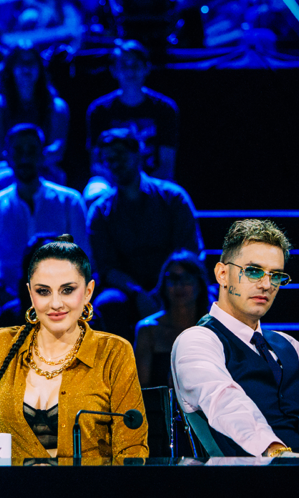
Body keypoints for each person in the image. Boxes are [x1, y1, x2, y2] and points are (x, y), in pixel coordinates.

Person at [171, 219, 299, 458]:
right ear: (222, 274)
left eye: (276, 275)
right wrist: (280, 455)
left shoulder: (289, 345)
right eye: (254, 271)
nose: (267, 285)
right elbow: (225, 403)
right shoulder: (197, 340)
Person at [0, 235, 148, 463]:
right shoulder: (2, 345)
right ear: (31, 293)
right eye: (43, 291)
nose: (56, 303)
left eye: (67, 290)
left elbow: (132, 449)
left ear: (88, 291)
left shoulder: (113, 352)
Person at [86, 128, 202, 341]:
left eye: (120, 155)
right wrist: (138, 293)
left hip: (174, 278)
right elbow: (107, 267)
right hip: (129, 290)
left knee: (193, 291)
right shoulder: (101, 211)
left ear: (138, 154)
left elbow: (187, 252)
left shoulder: (172, 198)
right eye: (108, 159)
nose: (115, 163)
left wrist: (162, 289)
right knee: (108, 303)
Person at [0, 123, 87, 322]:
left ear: (43, 154)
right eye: (18, 151)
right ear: (7, 156)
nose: (25, 158)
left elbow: (84, 258)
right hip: (4, 290)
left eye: (32, 150)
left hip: (59, 290)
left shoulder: (70, 202)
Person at [85, 40, 178, 202]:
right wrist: (122, 186)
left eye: (135, 65)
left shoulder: (165, 109)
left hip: (153, 180)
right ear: (114, 70)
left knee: (173, 194)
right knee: (94, 192)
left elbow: (166, 164)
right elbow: (96, 163)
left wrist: (140, 186)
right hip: (111, 180)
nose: (130, 71)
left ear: (147, 68)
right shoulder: (99, 110)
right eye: (124, 65)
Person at [0, 41, 70, 199]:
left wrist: (31, 164)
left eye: (31, 62)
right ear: (11, 68)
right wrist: (25, 164)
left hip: (44, 168)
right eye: (21, 62)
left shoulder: (56, 106)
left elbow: (57, 149)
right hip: (6, 167)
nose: (26, 68)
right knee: (2, 181)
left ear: (40, 67)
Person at [134, 249, 209, 388]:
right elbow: (142, 389)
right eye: (173, 278)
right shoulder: (148, 330)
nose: (179, 285)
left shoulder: (214, 327)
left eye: (187, 278)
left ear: (199, 284)